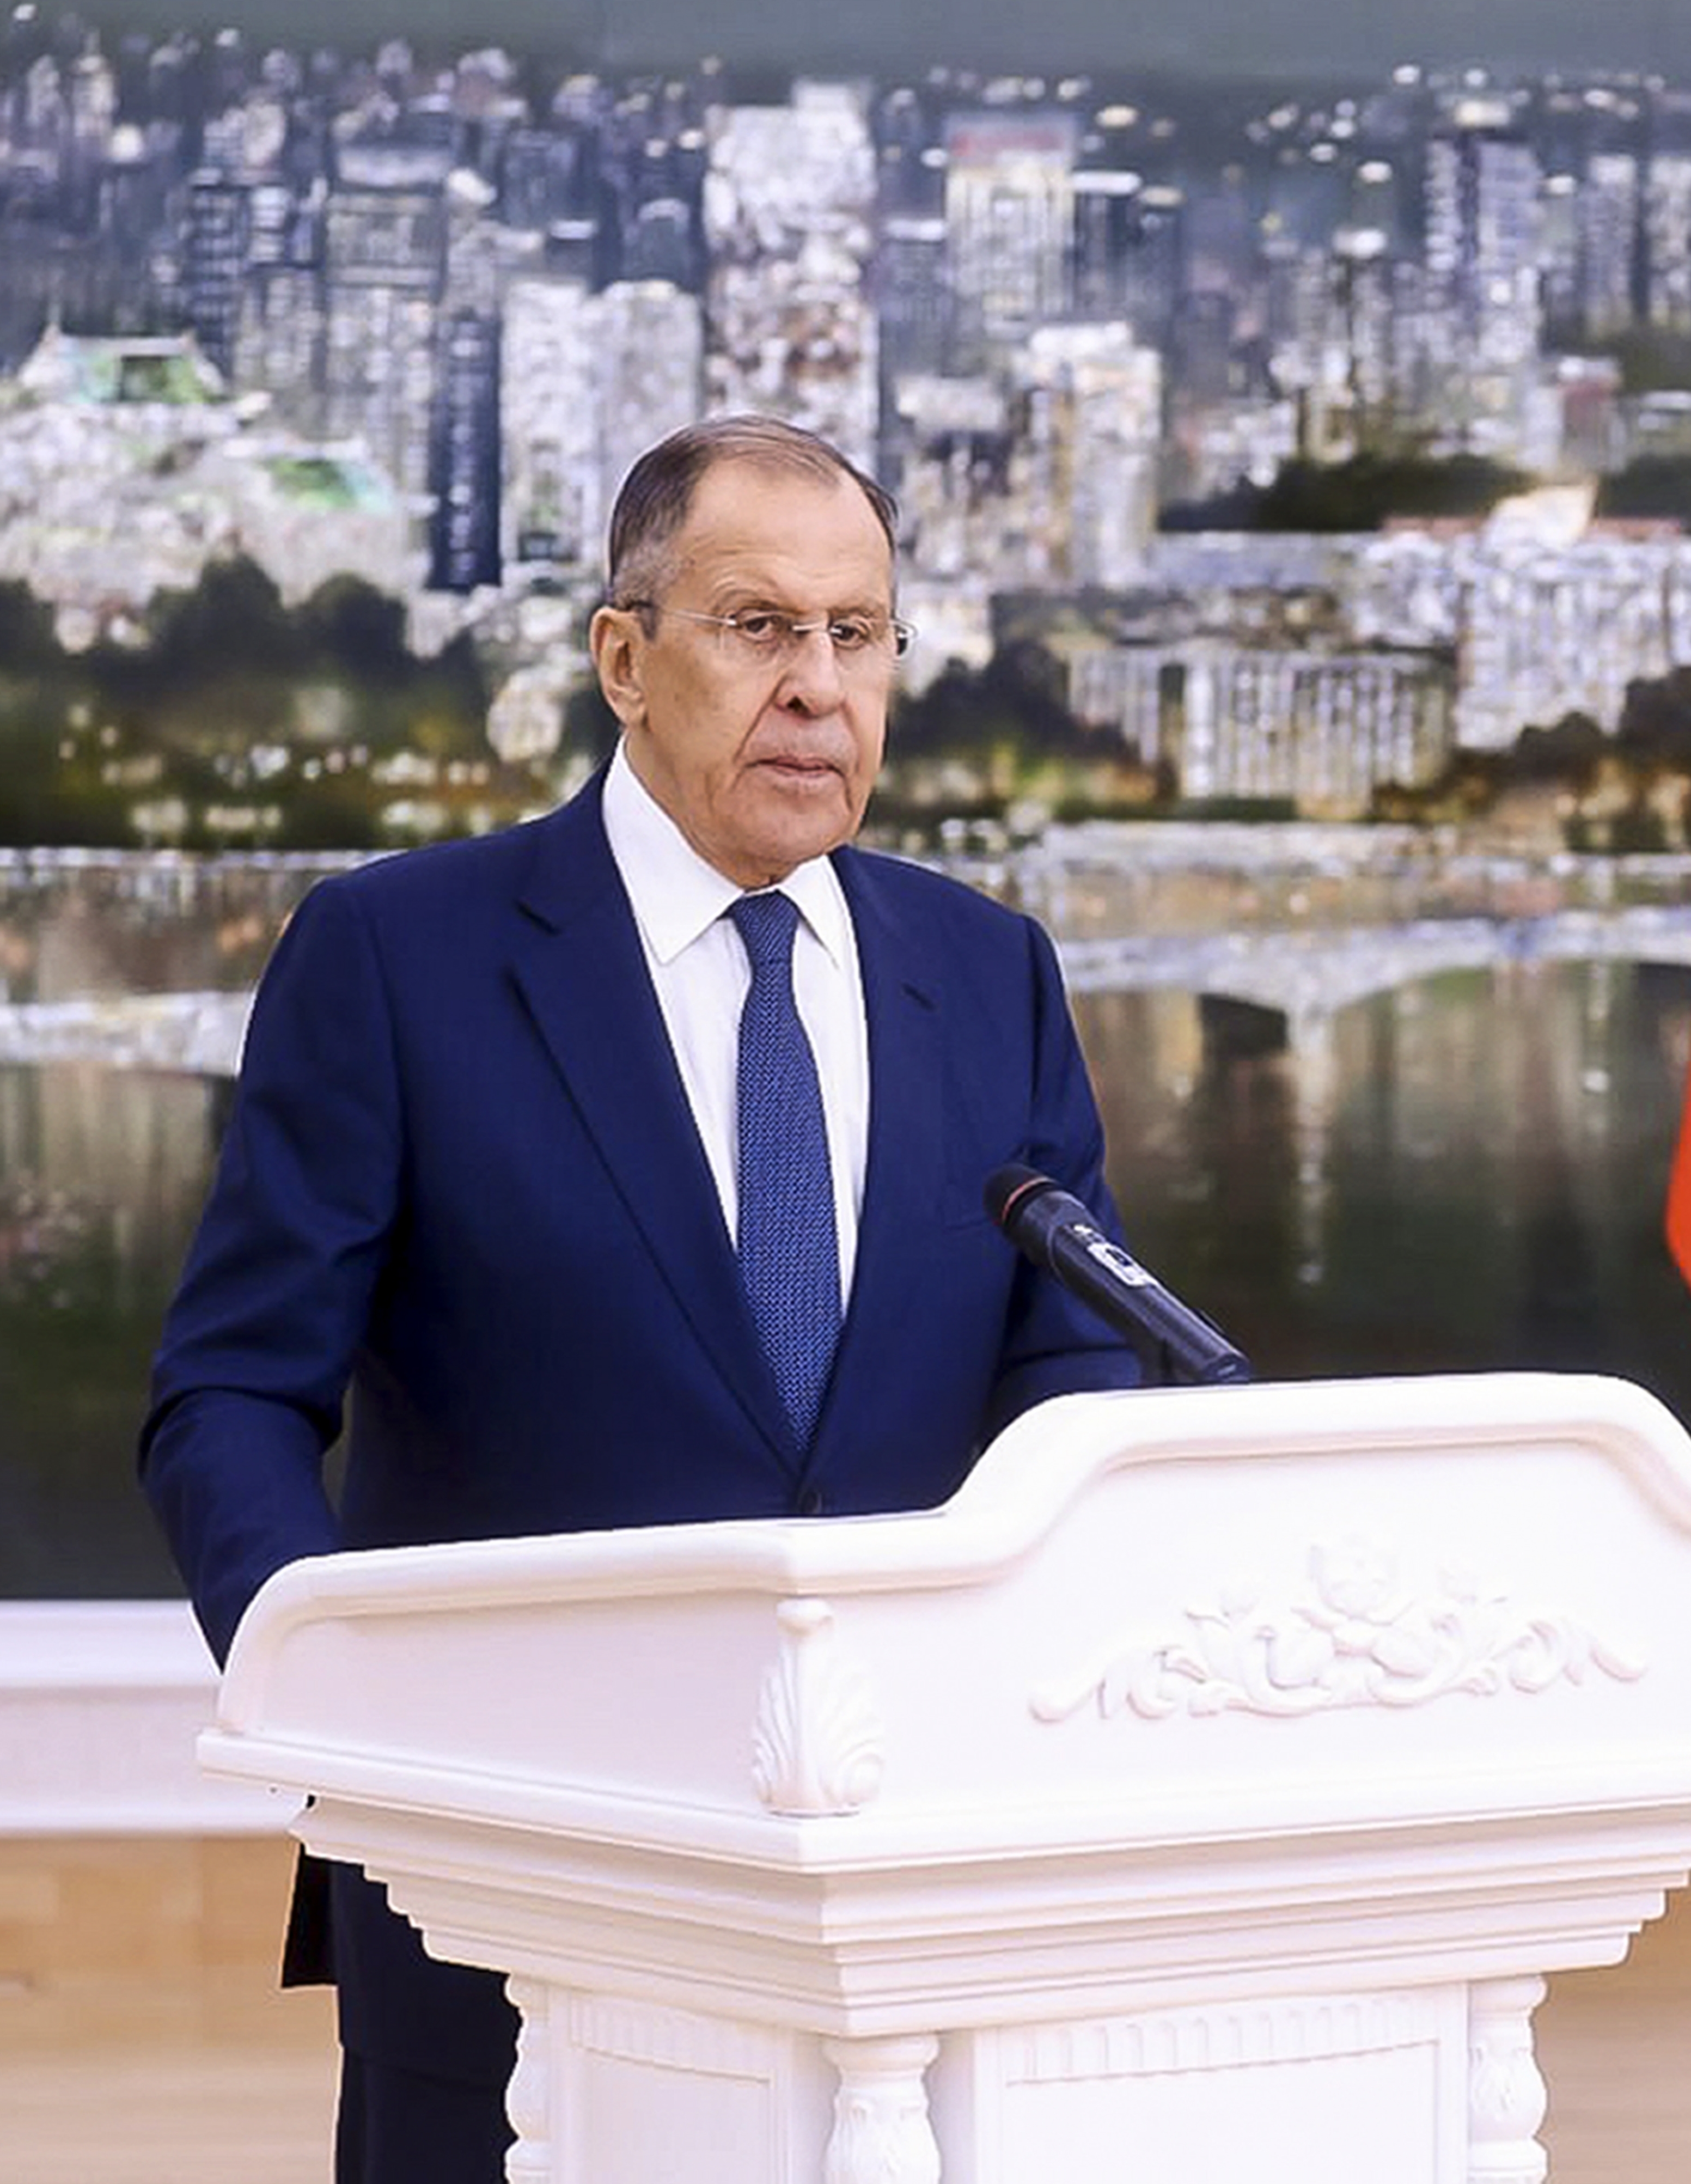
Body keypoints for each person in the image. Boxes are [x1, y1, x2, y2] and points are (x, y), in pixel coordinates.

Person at [138, 414, 1145, 2181]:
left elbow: (1074, 1382)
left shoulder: (988, 972)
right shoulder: (398, 955)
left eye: (860, 632)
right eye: (759, 627)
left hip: (909, 1897)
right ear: (624, 657)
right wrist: (334, 1700)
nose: (821, 687)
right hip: (505, 1885)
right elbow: (229, 1393)